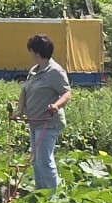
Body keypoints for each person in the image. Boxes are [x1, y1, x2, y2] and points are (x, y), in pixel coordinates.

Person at [13, 33, 71, 191]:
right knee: (36, 160)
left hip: (48, 122)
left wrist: (56, 106)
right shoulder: (34, 70)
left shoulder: (55, 71)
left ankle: (52, 194)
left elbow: (66, 93)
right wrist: (19, 110)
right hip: (34, 122)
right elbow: (25, 91)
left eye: (31, 50)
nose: (30, 54)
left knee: (44, 160)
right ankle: (40, 192)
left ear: (37, 53)